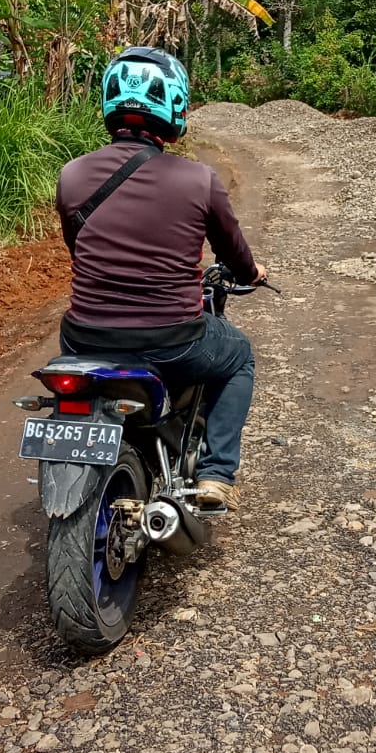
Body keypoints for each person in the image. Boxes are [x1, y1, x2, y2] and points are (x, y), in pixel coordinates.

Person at [55, 46, 265, 510]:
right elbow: (235, 255)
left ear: (110, 104)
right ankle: (215, 474)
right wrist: (252, 273)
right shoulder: (199, 179)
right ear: (173, 107)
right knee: (238, 358)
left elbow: (79, 248)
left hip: (83, 338)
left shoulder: (70, 176)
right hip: (173, 339)